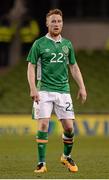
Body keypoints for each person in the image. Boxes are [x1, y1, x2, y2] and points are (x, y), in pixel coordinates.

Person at [27, 9, 87, 173]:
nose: (56, 24)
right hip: (43, 90)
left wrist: (81, 87)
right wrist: (33, 88)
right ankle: (41, 163)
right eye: (53, 21)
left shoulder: (67, 45)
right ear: (47, 23)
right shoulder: (39, 44)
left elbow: (73, 67)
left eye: (59, 21)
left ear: (62, 24)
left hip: (63, 91)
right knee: (44, 124)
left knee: (69, 128)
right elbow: (31, 66)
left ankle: (66, 157)